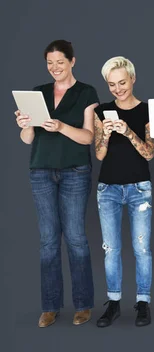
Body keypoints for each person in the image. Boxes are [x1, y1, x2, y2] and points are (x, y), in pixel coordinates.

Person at [14, 39, 98, 327]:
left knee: (75, 238)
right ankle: (50, 306)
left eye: (60, 62)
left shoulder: (86, 92)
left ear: (72, 61)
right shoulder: (37, 93)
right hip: (41, 171)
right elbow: (28, 139)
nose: (55, 68)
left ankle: (83, 304)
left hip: (75, 171)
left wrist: (61, 126)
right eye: (50, 63)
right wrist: (25, 125)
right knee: (48, 241)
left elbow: (89, 137)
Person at [93, 56, 154, 327]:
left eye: (122, 82)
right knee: (111, 249)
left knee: (142, 249)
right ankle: (114, 303)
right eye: (111, 85)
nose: (118, 89)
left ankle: (143, 303)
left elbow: (150, 153)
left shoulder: (146, 110)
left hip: (139, 187)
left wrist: (128, 131)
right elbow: (99, 154)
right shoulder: (101, 111)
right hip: (108, 187)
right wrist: (106, 133)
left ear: (132, 79)